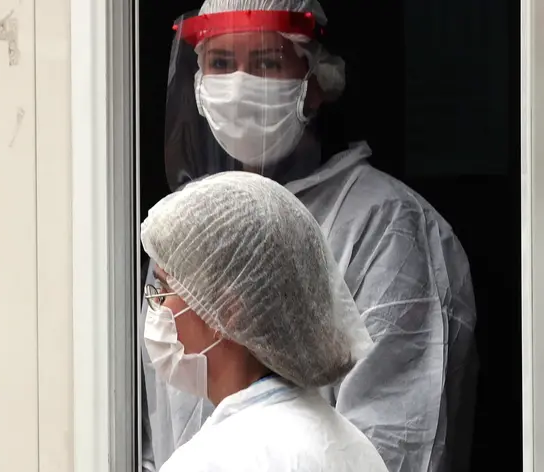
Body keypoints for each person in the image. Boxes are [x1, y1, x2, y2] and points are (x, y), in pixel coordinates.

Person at [140, 1, 478, 471]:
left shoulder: (385, 226)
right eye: (219, 62)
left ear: (316, 80)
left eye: (266, 61)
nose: (239, 83)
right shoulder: (191, 233)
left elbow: (398, 442)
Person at [140, 170, 387, 472]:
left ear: (226, 313)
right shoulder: (356, 449)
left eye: (165, 289)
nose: (158, 307)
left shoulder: (209, 462)